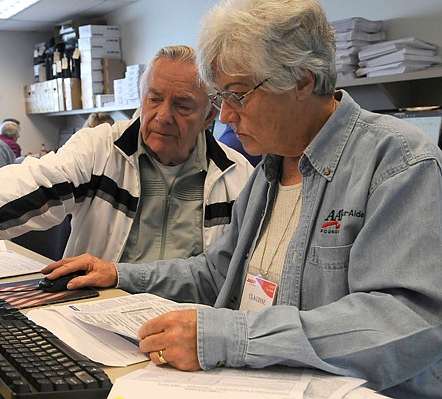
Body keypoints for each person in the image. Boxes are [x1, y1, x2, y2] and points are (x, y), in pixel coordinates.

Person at [37, 1, 441, 397]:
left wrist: (229, 337)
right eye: (219, 99)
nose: (226, 117)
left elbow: (408, 322)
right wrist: (120, 275)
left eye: (238, 95)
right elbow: (217, 273)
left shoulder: (397, 161)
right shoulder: (269, 169)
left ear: (301, 80)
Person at [0, 44, 254, 286]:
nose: (162, 116)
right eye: (154, 99)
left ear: (211, 115)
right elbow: (37, 177)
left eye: (183, 105)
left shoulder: (240, 178)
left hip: (188, 330)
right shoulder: (102, 148)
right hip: (99, 313)